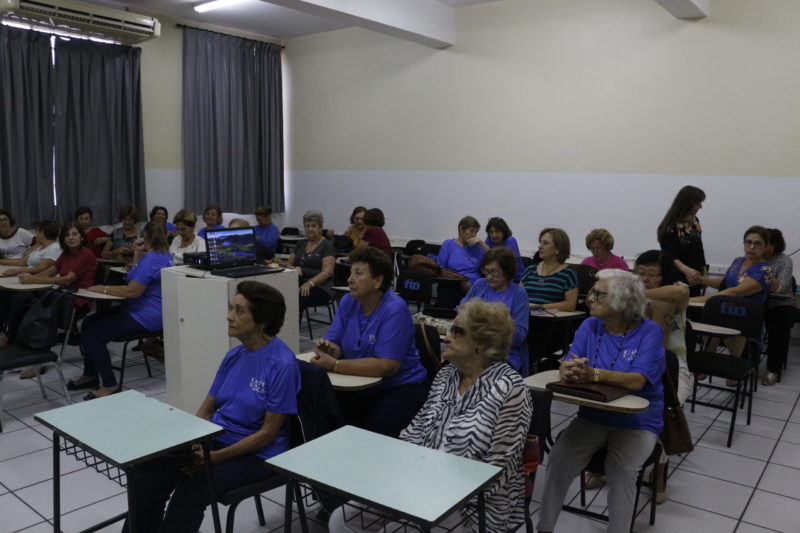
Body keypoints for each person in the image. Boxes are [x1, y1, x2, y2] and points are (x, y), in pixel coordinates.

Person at [328, 299, 532, 533]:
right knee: (341, 519)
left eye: (456, 331)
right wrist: (390, 477)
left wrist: (432, 498)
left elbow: (500, 469)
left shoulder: (511, 389)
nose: (446, 337)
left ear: (482, 343)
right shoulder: (446, 376)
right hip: (419, 484)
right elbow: (415, 432)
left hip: (474, 505)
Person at [125, 281, 301, 533]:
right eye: (231, 308)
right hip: (218, 440)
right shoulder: (234, 356)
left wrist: (214, 458)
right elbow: (207, 409)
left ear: (262, 320)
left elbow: (268, 434)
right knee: (146, 470)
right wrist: (192, 443)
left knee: (193, 485)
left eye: (239, 311)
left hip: (260, 454)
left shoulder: (282, 364)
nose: (229, 316)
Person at [537, 273, 665, 533]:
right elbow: (570, 361)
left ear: (622, 301)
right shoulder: (590, 326)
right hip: (594, 416)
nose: (590, 298)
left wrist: (593, 374)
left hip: (638, 423)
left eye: (598, 294)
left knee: (621, 471)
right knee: (559, 458)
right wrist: (568, 370)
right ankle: (544, 528)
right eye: (592, 292)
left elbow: (638, 380)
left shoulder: (649, 331)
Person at [310, 246, 429, 437]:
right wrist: (332, 350)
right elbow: (334, 341)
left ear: (378, 280)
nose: (349, 279)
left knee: (372, 432)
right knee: (322, 414)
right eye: (350, 273)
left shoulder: (394, 309)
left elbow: (387, 366)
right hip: (358, 382)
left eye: (358, 274)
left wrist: (336, 364)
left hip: (399, 386)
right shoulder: (348, 301)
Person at [76, 222, 174, 399]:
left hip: (146, 316)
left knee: (93, 334)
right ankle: (90, 375)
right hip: (145, 311)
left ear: (146, 237)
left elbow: (133, 290)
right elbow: (134, 276)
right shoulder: (162, 255)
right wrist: (137, 255)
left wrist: (103, 288)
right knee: (89, 322)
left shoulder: (152, 259)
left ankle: (110, 385)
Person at [11, 223, 98, 375]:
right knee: (23, 304)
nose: (71, 238)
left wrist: (34, 281)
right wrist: (29, 278)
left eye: (75, 234)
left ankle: (40, 361)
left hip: (78, 299)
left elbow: (67, 280)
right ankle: (22, 353)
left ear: (82, 237)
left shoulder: (86, 254)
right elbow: (51, 271)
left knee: (42, 314)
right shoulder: (66, 253)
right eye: (67, 235)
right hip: (62, 296)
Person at [461, 246, 529, 375]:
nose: (489, 276)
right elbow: (462, 311)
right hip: (474, 349)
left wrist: (483, 331)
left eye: (494, 272)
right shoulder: (481, 284)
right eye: (486, 271)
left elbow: (519, 335)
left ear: (507, 272)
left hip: (504, 356)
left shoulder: (519, 294)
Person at [0, 220, 63, 353]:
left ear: (42, 232)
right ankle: (3, 333)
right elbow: (22, 262)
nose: (35, 234)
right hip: (28, 280)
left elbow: (44, 267)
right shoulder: (40, 248)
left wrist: (17, 271)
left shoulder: (55, 247)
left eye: (37, 231)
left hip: (42, 285)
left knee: (17, 301)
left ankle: (13, 339)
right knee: (3, 294)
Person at [657, 186, 707, 296]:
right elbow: (668, 254)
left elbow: (699, 247)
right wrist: (686, 270)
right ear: (688, 204)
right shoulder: (669, 227)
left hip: (694, 274)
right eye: (698, 203)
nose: (701, 207)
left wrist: (704, 271)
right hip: (677, 276)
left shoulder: (695, 221)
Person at [761, 228, 795, 386]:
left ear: (772, 246)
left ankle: (773, 371)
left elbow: (780, 287)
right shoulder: (755, 258)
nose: (756, 246)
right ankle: (745, 364)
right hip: (759, 302)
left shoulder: (784, 261)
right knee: (745, 324)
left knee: (779, 328)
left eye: (762, 242)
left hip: (780, 304)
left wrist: (768, 275)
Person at [286, 209, 335, 312]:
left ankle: (294, 328)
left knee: (296, 299)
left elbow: (327, 272)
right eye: (307, 226)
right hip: (300, 283)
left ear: (320, 227)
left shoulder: (327, 245)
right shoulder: (301, 244)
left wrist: (309, 283)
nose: (310, 229)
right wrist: (295, 268)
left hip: (321, 286)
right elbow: (288, 264)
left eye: (313, 225)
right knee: (280, 294)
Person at [520, 228, 578, 311]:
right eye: (540, 242)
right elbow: (517, 297)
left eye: (545, 243)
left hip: (551, 320)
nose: (540, 246)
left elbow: (570, 305)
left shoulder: (568, 273)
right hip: (525, 317)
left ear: (558, 249)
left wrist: (541, 307)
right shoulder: (530, 270)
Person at [436, 216, 485, 308]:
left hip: (473, 286)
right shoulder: (449, 244)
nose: (474, 235)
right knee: (446, 291)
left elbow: (494, 262)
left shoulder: (478, 249)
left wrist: (483, 245)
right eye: (471, 231)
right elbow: (439, 269)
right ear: (461, 229)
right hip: (452, 283)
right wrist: (459, 280)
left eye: (476, 232)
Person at [481, 216, 525, 282]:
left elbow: (505, 265)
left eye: (497, 232)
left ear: (504, 232)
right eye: (491, 232)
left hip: (514, 279)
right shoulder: (488, 240)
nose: (494, 235)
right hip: (496, 277)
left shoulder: (510, 241)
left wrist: (484, 246)